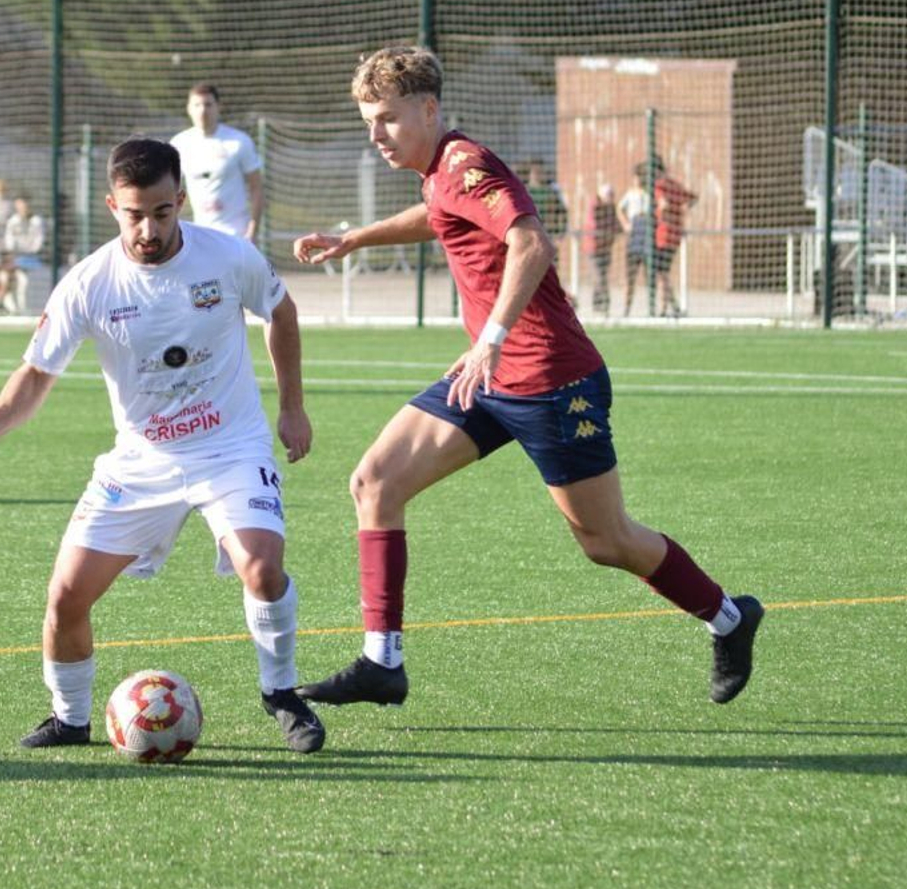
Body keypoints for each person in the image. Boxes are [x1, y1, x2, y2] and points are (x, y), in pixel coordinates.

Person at [290, 46, 763, 713]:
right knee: (375, 481)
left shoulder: (466, 162)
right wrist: (355, 239)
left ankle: (731, 618)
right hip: (488, 375)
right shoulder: (439, 173)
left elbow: (532, 241)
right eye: (369, 120)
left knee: (607, 540)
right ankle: (381, 661)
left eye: (388, 119)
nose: (376, 135)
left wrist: (490, 339)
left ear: (429, 109)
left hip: (550, 379)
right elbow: (442, 216)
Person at [0, 137, 325, 754]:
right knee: (65, 598)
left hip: (231, 447)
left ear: (180, 199)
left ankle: (281, 693)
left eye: (161, 212)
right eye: (135, 215)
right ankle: (71, 718)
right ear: (112, 206)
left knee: (261, 570)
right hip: (140, 459)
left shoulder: (228, 256)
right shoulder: (89, 282)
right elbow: (37, 371)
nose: (149, 228)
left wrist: (292, 407)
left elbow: (281, 313)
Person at [171, 83, 264, 241]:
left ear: (218, 107)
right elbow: (169, 192)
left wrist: (252, 232)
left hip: (236, 236)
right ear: (189, 108)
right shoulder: (179, 144)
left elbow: (257, 189)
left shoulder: (239, 141)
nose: (203, 110)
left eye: (208, 104)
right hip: (200, 236)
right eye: (197, 105)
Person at [0, 194, 46, 314]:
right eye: (19, 205)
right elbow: (9, 242)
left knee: (8, 272)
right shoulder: (13, 221)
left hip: (30, 258)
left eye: (25, 205)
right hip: (15, 258)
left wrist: (23, 249)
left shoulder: (37, 221)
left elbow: (37, 245)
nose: (22, 208)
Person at [651, 163, 695, 318]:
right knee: (664, 272)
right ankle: (666, 307)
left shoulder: (659, 186)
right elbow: (692, 198)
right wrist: (683, 211)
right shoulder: (675, 185)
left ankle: (670, 307)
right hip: (676, 233)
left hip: (664, 235)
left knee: (662, 273)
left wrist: (662, 215)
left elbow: (663, 204)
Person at [619, 166, 654, 317]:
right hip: (635, 235)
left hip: (646, 234)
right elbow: (619, 208)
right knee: (630, 276)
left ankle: (652, 309)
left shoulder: (649, 194)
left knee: (650, 275)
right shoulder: (630, 194)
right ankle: (626, 310)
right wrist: (625, 224)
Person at [583, 183, 618, 316]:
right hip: (593, 248)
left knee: (603, 276)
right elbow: (593, 224)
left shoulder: (611, 208)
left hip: (606, 247)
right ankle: (604, 303)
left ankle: (598, 304)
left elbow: (615, 223)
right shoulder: (595, 206)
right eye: (609, 195)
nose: (611, 198)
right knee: (599, 276)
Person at [524, 161, 569, 241]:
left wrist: (560, 232)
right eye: (535, 172)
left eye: (540, 172)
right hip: (529, 234)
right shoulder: (524, 192)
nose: (537, 175)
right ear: (530, 174)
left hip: (547, 234)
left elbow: (562, 211)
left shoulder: (550, 192)